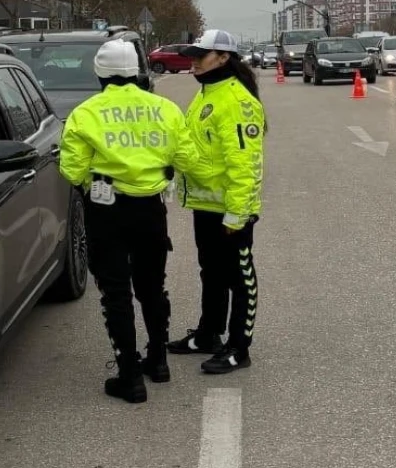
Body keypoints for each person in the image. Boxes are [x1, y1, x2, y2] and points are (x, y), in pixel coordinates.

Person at [58, 40, 199, 403]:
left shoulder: (85, 113)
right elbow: (186, 157)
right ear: (137, 71)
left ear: (99, 74)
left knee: (116, 292)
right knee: (152, 286)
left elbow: (71, 169)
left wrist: (95, 183)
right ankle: (159, 360)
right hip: (151, 210)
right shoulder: (165, 108)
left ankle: (129, 375)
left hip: (107, 210)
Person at [168, 29, 267, 374]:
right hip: (205, 205)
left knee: (240, 279)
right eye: (193, 55)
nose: (194, 61)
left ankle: (239, 347)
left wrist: (237, 214)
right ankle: (209, 334)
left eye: (201, 55)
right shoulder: (207, 93)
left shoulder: (237, 102)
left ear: (224, 57)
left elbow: (245, 164)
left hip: (229, 210)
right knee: (211, 273)